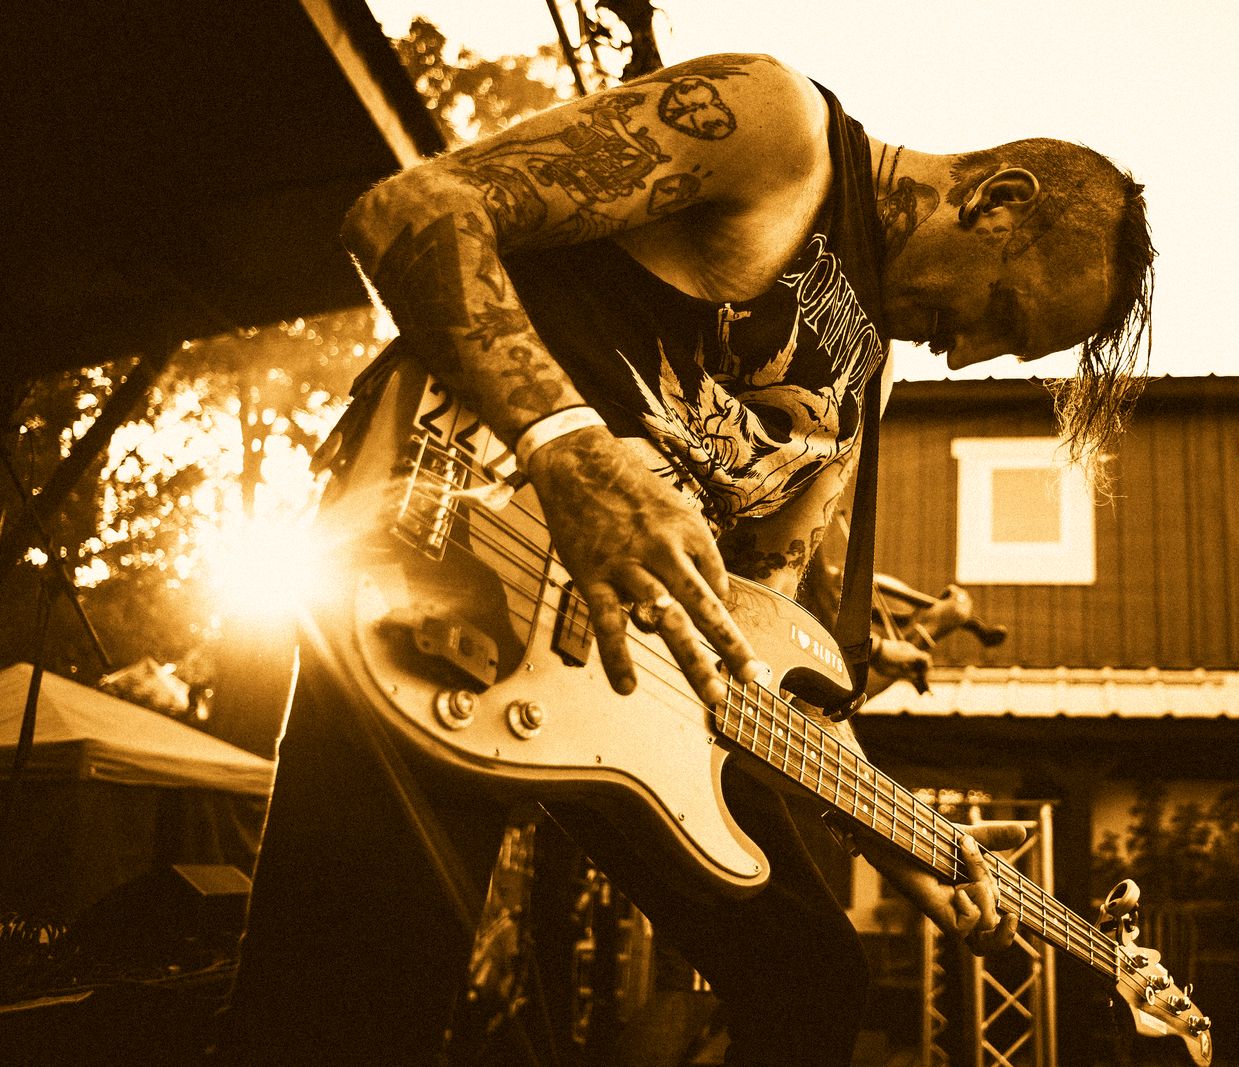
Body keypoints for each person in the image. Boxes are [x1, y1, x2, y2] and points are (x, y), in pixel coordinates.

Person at [224, 52, 1154, 1065]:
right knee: (345, 1015)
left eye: (1006, 351)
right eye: (1003, 315)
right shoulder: (777, 132)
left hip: (626, 680)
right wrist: (572, 448)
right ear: (998, 200)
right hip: (447, 552)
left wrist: (895, 835)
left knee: (810, 977)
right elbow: (414, 209)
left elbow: (755, 642)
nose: (967, 355)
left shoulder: (868, 382)